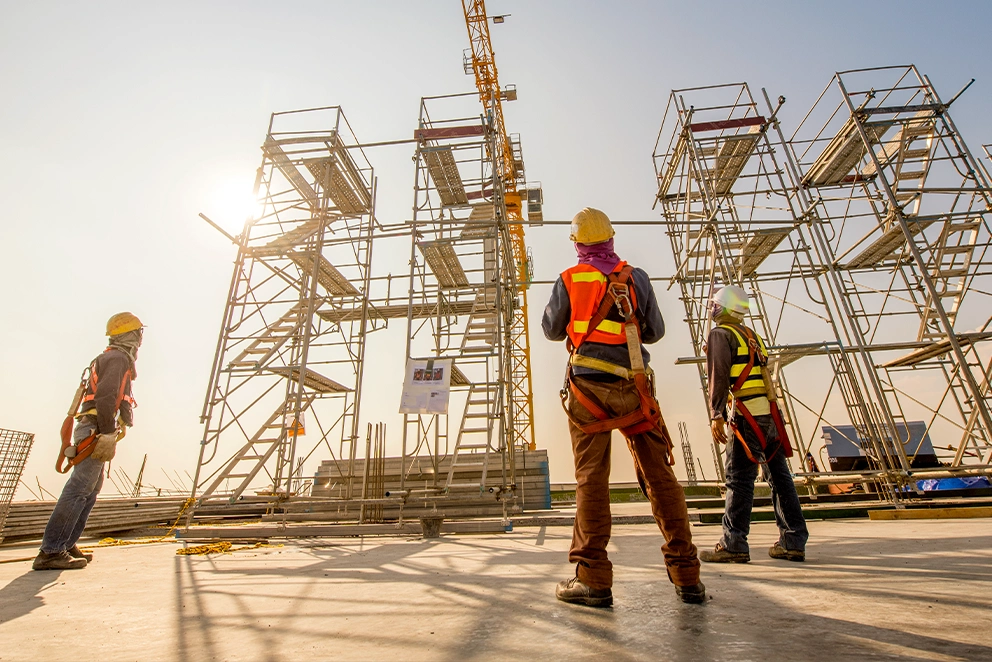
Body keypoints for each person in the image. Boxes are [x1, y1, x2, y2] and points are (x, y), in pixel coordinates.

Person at [543, 207, 704, 607]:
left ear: (578, 243)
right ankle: (687, 575)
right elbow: (657, 332)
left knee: (591, 479)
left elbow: (550, 330)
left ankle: (593, 578)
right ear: (611, 239)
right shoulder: (638, 277)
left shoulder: (569, 278)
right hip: (636, 387)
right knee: (659, 476)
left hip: (588, 392)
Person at [699, 286, 808, 564]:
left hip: (747, 417)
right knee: (780, 478)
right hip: (770, 416)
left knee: (738, 479)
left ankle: (734, 543)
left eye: (715, 305)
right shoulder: (751, 336)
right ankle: (793, 539)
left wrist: (716, 413)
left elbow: (719, 377)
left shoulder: (720, 334)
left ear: (724, 308)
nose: (712, 310)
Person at [33, 312, 143, 571]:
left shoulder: (110, 357)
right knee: (79, 489)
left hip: (94, 428)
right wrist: (106, 432)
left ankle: (66, 542)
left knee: (90, 491)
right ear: (131, 335)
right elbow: (106, 397)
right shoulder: (117, 359)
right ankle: (51, 551)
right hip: (95, 429)